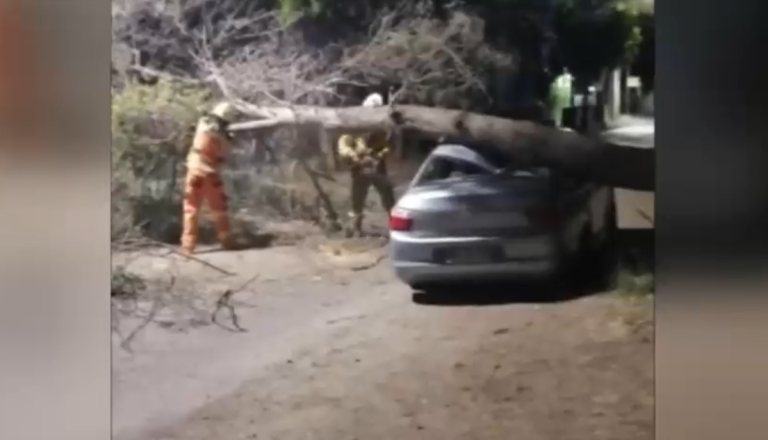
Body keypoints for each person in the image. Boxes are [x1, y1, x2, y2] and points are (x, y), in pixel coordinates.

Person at [180, 102, 238, 254]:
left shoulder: (203, 123)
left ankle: (188, 246)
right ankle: (226, 241)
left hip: (194, 170)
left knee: (190, 210)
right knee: (219, 209)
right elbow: (223, 155)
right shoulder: (222, 136)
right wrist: (228, 139)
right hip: (211, 174)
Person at [337, 93, 396, 236]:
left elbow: (387, 146)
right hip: (359, 168)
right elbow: (343, 144)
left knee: (388, 197)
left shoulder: (379, 129)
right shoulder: (353, 127)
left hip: (377, 168)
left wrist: (379, 155)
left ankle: (395, 225)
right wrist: (354, 156)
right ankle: (355, 228)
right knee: (357, 200)